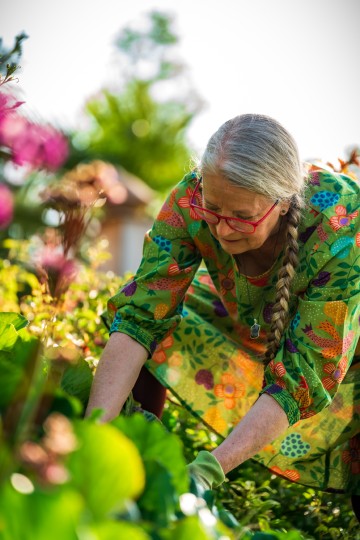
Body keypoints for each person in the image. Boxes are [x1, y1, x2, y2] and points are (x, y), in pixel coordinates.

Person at [86, 114, 360, 511]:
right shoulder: (189, 200)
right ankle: (135, 469)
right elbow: (140, 316)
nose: (223, 230)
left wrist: (209, 470)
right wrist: (91, 437)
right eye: (213, 209)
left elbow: (308, 372)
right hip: (250, 318)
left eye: (243, 217)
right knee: (156, 311)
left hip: (343, 348)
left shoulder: (342, 220)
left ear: (283, 204)